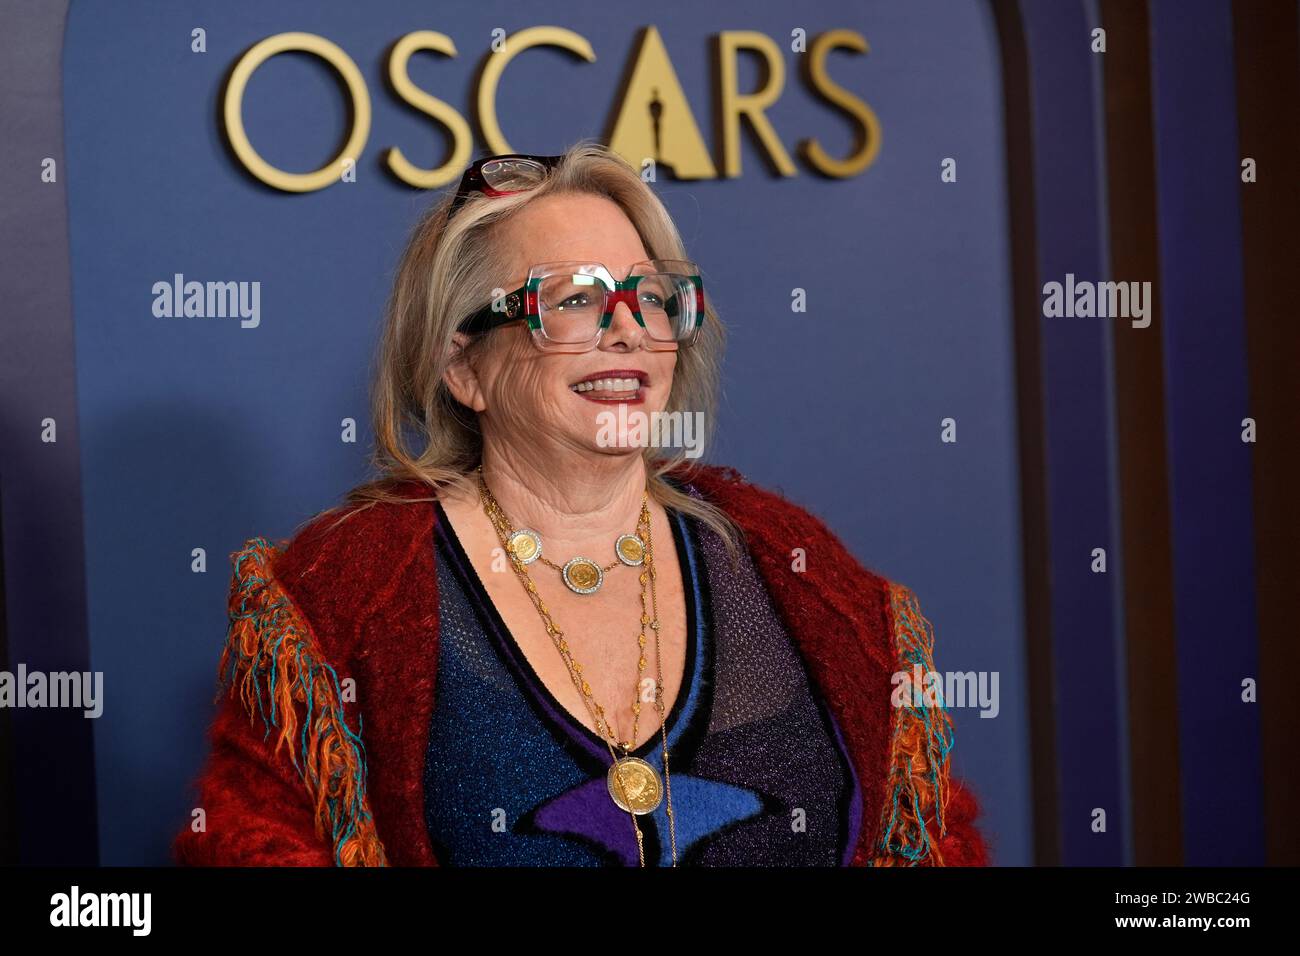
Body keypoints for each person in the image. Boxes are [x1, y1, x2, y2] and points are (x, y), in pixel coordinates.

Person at [173, 143, 990, 867]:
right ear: (465, 367)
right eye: (574, 300)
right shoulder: (346, 590)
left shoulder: (791, 562)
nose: (629, 330)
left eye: (650, 295)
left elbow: (933, 839)